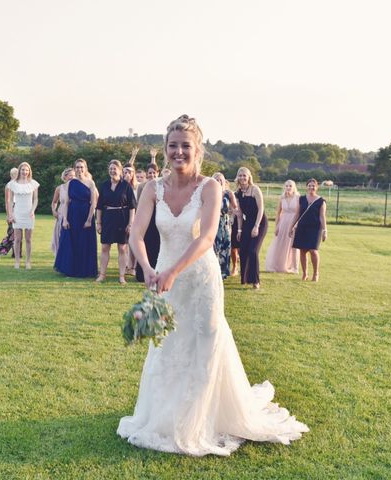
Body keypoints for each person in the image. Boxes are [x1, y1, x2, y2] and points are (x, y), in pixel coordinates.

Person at [118, 114, 308, 456]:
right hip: (162, 276)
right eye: (173, 146)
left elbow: (206, 237)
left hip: (199, 277)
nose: (179, 152)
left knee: (205, 339)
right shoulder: (152, 189)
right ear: (165, 150)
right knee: (169, 344)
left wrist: (174, 270)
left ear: (198, 150)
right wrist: (147, 267)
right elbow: (135, 233)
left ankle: (200, 420)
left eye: (185, 146)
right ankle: (165, 417)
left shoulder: (210, 188)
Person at [54, 159, 99, 278]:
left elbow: (94, 203)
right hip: (72, 215)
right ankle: (71, 270)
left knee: (84, 243)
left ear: (85, 168)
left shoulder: (91, 183)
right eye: (77, 167)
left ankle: (85, 270)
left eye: (81, 167)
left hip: (86, 214)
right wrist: (65, 219)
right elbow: (66, 203)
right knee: (72, 242)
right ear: (75, 169)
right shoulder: (71, 183)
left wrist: (89, 219)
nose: (79, 169)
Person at [96, 159, 137, 284]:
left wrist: (130, 224)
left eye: (115, 169)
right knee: (104, 247)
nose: (112, 171)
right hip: (107, 218)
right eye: (111, 169)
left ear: (120, 170)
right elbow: (99, 207)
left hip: (122, 218)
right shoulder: (104, 185)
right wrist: (98, 223)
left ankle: (121, 276)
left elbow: (132, 207)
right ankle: (102, 275)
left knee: (122, 248)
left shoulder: (126, 186)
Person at [234, 167, 267, 289]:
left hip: (260, 221)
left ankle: (256, 281)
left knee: (253, 251)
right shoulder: (237, 193)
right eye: (240, 175)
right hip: (246, 223)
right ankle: (245, 279)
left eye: (245, 175)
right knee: (243, 250)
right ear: (237, 177)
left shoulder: (255, 189)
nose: (242, 178)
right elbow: (239, 214)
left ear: (249, 177)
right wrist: (239, 230)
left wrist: (256, 226)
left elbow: (261, 209)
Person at [290, 178, 327, 281]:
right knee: (302, 251)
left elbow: (322, 217)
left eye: (313, 186)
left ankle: (316, 273)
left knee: (313, 251)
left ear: (317, 187)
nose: (311, 187)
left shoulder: (321, 201)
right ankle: (305, 273)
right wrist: (291, 226)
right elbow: (297, 213)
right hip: (302, 227)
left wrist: (325, 230)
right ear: (307, 187)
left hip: (315, 228)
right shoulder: (301, 199)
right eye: (309, 185)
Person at [8, 162, 39, 270]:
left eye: (27, 170)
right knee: (17, 239)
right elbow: (11, 200)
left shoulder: (33, 183)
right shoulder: (13, 184)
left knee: (28, 239)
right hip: (17, 214)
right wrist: (11, 214)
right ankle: (17, 261)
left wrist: (33, 210)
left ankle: (28, 261)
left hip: (29, 214)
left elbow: (35, 199)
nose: (25, 172)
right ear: (19, 170)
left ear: (29, 171)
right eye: (23, 170)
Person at [264, 180, 299, 274]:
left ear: (294, 187)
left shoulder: (298, 198)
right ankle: (279, 265)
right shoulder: (282, 198)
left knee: (293, 245)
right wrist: (276, 226)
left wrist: (295, 225)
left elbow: (299, 213)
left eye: (290, 186)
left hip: (294, 223)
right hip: (283, 223)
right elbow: (278, 213)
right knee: (280, 243)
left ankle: (294, 267)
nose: (288, 187)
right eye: (286, 186)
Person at [135, 161, 161, 283]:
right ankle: (142, 273)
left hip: (158, 217)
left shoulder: (162, 185)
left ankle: (158, 271)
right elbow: (138, 204)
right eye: (149, 173)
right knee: (145, 243)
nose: (151, 175)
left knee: (157, 244)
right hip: (145, 218)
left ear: (157, 173)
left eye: (153, 173)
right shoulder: (141, 186)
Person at [212, 172, 238, 279]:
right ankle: (213, 272)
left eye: (220, 180)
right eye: (216, 179)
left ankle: (223, 272)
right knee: (214, 247)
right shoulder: (209, 193)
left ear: (223, 181)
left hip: (225, 224)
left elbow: (235, 208)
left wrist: (230, 213)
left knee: (225, 247)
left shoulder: (229, 193)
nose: (218, 181)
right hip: (213, 223)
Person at [0, 167, 19, 259]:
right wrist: (9, 215)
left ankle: (16, 253)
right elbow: (7, 201)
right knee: (13, 234)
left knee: (17, 232)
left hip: (18, 209)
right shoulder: (9, 185)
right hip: (13, 209)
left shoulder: (16, 185)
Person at [50, 167, 75, 256]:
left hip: (73, 214)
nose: (72, 177)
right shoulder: (59, 188)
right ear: (65, 177)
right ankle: (60, 257)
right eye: (70, 175)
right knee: (61, 236)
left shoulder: (77, 188)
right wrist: (54, 211)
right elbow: (54, 202)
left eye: (74, 176)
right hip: (61, 214)